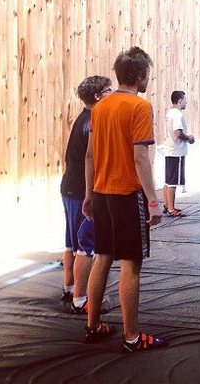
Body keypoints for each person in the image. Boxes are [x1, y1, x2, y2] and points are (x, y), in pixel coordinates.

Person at [82, 46, 167, 353]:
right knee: (131, 264)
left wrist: (89, 194)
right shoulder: (140, 107)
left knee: (102, 256)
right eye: (149, 74)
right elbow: (140, 157)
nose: (150, 79)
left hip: (103, 195)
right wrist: (154, 200)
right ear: (140, 75)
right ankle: (132, 337)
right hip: (127, 195)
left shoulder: (100, 106)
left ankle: (92, 326)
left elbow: (89, 155)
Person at [60, 76, 112, 312]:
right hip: (82, 192)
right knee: (85, 246)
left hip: (70, 188)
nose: (113, 93)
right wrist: (92, 195)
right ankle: (80, 300)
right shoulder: (93, 122)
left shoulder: (83, 118)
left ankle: (70, 288)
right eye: (109, 90)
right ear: (98, 97)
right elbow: (94, 160)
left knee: (71, 242)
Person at [163, 90, 195, 217]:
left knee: (168, 180)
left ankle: (167, 205)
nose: (186, 102)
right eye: (185, 100)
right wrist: (189, 138)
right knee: (172, 182)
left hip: (170, 150)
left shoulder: (170, 113)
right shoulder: (177, 115)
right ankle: (171, 209)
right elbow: (177, 133)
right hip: (176, 152)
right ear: (179, 100)